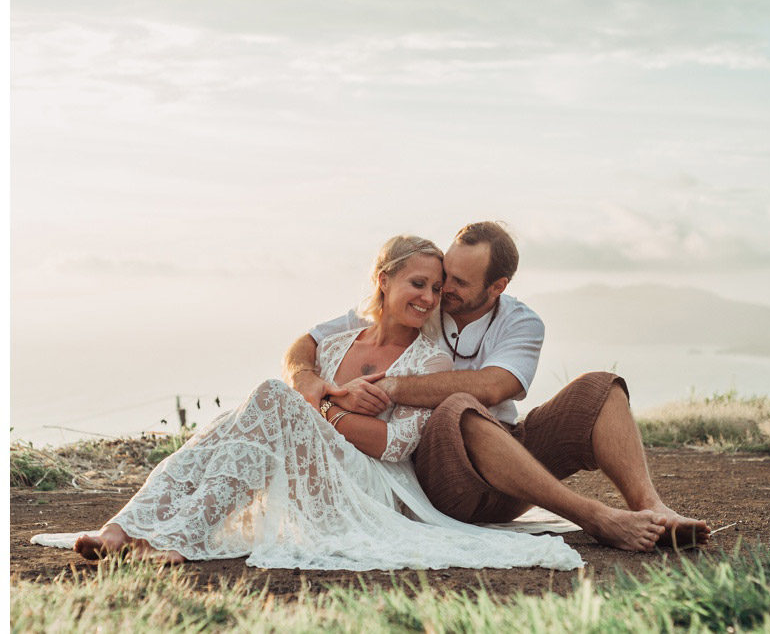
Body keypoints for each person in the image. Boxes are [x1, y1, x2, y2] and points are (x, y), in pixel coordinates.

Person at [63, 235, 583, 571]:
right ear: (384, 281)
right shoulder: (340, 340)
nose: (429, 297)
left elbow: (396, 445)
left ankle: (178, 537)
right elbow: (299, 352)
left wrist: (325, 411)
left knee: (270, 400)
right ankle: (123, 527)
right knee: (226, 423)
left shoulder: (433, 359)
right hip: (318, 464)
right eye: (417, 284)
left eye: (438, 287)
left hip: (374, 483)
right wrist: (314, 388)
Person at [284, 222, 711, 552]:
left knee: (601, 387)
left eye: (456, 283)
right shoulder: (417, 301)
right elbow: (308, 342)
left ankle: (651, 507)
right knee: (457, 408)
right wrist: (307, 380)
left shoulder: (521, 322)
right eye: (443, 276)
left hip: (509, 469)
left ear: (498, 287)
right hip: (440, 469)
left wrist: (393, 386)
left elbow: (493, 386)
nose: (441, 291)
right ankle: (596, 518)